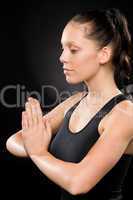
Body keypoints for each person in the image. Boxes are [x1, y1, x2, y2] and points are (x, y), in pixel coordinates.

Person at [6, 8, 133, 200]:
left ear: (104, 54)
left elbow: (78, 183)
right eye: (62, 48)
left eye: (73, 50)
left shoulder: (125, 114)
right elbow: (14, 141)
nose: (62, 57)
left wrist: (39, 152)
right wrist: (34, 145)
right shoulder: (75, 101)